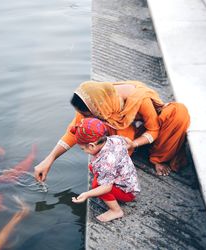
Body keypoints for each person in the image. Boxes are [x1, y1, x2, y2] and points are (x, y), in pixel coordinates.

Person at [34, 80, 190, 181]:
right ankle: (121, 155)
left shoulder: (138, 99)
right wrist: (49, 159)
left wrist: (133, 144)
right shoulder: (93, 103)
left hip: (146, 134)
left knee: (179, 113)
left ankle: (158, 158)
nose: (85, 117)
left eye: (88, 115)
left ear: (98, 107)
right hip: (127, 133)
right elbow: (74, 132)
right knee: (91, 127)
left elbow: (154, 130)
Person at [70, 117, 140, 222]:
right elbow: (128, 142)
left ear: (92, 145)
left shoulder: (106, 162)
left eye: (83, 149)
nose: (83, 151)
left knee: (98, 187)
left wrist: (87, 194)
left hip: (128, 192)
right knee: (94, 173)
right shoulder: (115, 138)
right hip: (129, 181)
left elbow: (106, 187)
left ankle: (116, 211)